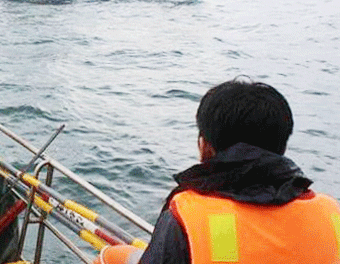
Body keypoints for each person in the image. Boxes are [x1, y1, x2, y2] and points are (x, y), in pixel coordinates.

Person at [95, 79, 340, 264]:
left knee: (107, 256)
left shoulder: (189, 216)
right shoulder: (330, 213)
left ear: (205, 147)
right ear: (282, 146)